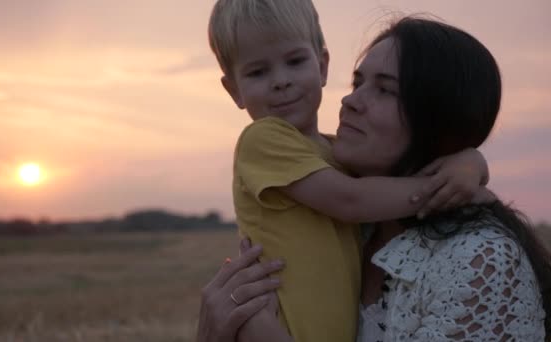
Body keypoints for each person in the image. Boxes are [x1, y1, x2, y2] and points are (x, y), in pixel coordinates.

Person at [198, 16, 550, 341]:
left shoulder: (477, 261)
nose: (350, 101)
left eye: (384, 89)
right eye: (357, 82)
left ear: (437, 116)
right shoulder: (352, 228)